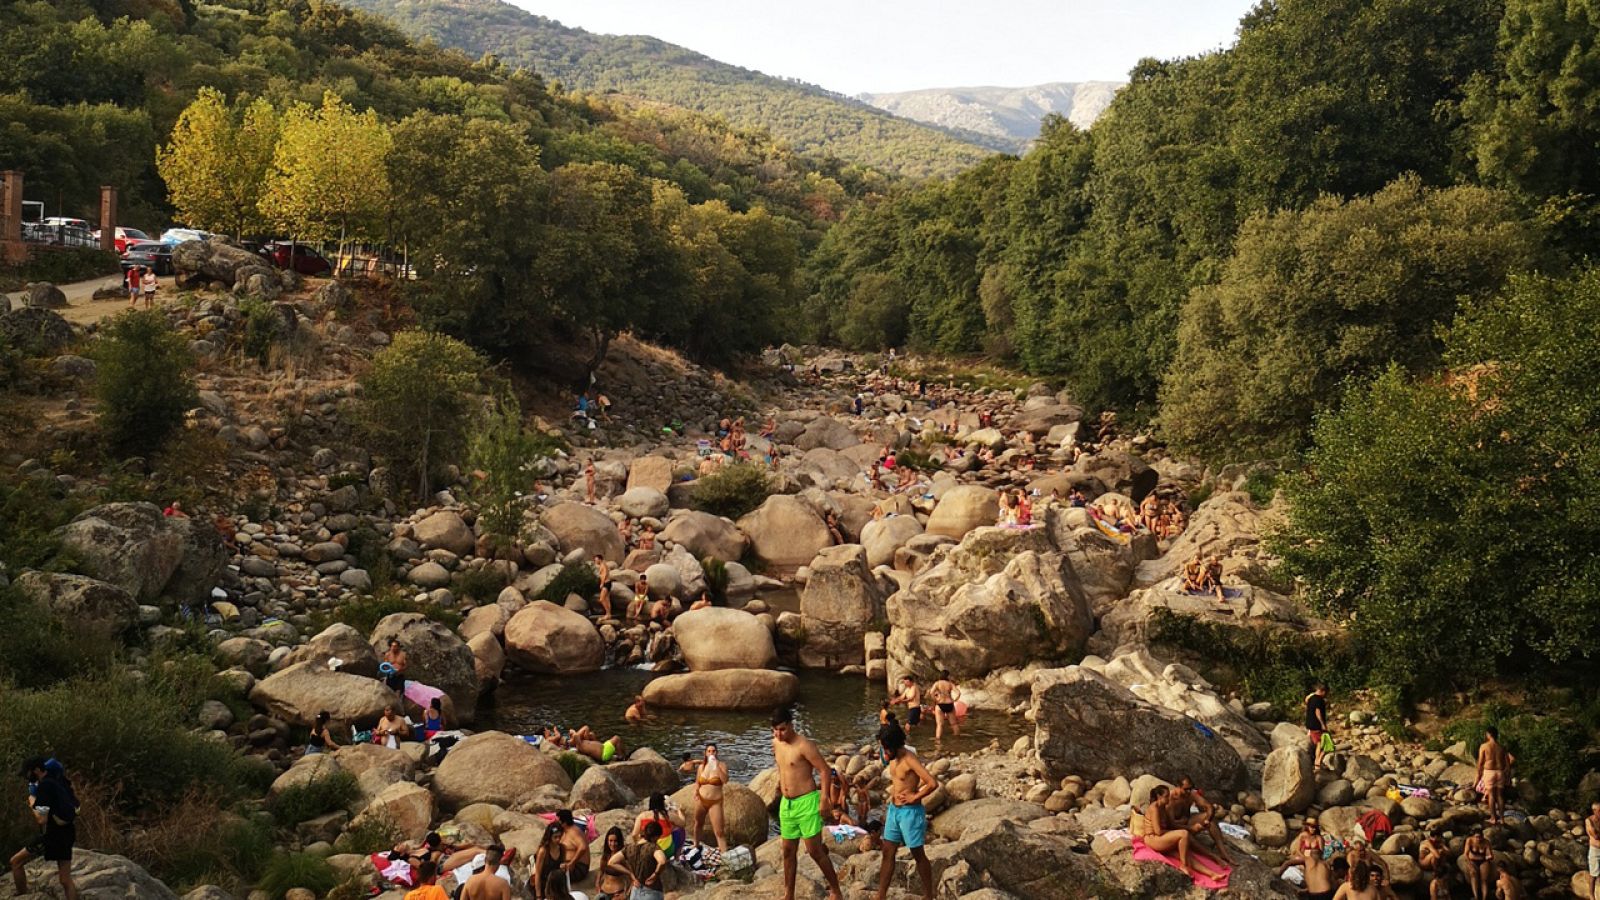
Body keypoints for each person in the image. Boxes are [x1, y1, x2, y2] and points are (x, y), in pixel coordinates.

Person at [770, 707, 845, 900]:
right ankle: (789, 894)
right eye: (775, 730)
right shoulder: (776, 743)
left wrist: (825, 798)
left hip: (807, 802)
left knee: (814, 851)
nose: (779, 734)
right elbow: (783, 767)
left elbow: (824, 770)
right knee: (787, 851)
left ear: (791, 725)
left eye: (782, 729)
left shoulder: (805, 745)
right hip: (787, 804)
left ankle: (836, 890)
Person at [872, 722, 936, 900]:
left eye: (886, 748)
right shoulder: (893, 757)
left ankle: (928, 895)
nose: (884, 753)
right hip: (894, 810)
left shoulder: (909, 759)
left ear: (894, 745)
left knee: (918, 854)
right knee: (888, 851)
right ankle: (881, 895)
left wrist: (915, 797)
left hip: (910, 813)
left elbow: (932, 783)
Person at [10, 758, 78, 900]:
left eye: (28, 773)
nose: (27, 777)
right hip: (67, 832)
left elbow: (42, 819)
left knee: (15, 861)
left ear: (36, 770)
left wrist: (32, 803)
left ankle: (21, 896)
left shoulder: (45, 786)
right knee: (65, 880)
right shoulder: (56, 782)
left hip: (53, 836)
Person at [1141, 785, 1221, 881]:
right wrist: (1175, 834)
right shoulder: (1154, 808)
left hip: (1161, 838)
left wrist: (1191, 828)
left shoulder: (1164, 807)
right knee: (1183, 834)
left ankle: (1212, 874)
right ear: (1159, 796)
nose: (1168, 798)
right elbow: (1158, 832)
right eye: (1166, 796)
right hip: (1153, 839)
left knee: (1186, 854)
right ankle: (1183, 866)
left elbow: (1172, 824)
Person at [1172, 777, 1235, 866]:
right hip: (1175, 828)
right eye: (1186, 789)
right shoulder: (1171, 799)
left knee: (1211, 820)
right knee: (1185, 834)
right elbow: (1170, 823)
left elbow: (1209, 807)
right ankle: (1212, 856)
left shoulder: (1191, 795)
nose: (1189, 791)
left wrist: (1207, 821)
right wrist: (1190, 827)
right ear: (1178, 786)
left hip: (1187, 821)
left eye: (1190, 788)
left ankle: (1223, 852)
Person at [609, 821, 667, 900]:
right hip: (652, 891)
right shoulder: (653, 847)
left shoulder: (629, 847)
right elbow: (662, 861)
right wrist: (655, 875)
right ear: (655, 837)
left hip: (635, 891)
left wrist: (630, 874)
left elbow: (612, 862)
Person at [691, 743, 728, 853]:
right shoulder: (702, 766)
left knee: (719, 831)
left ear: (717, 753)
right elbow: (698, 782)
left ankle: (724, 854)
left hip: (715, 802)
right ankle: (696, 844)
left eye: (713, 751)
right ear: (706, 753)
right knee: (698, 823)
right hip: (702, 800)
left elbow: (725, 780)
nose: (711, 753)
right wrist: (696, 791)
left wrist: (716, 767)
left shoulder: (721, 765)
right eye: (709, 751)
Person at [1475, 726, 1515, 825]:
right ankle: (1502, 819)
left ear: (1489, 734)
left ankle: (1493, 818)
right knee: (1500, 796)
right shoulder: (1501, 747)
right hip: (1500, 772)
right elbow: (1508, 763)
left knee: (1491, 795)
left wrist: (1478, 774)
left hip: (1489, 772)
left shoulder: (1484, 746)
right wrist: (1508, 776)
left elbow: (1480, 762)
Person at [593, 828, 628, 900]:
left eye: (615, 841)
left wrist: (625, 894)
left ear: (619, 841)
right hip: (603, 892)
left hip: (617, 894)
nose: (612, 844)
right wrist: (597, 883)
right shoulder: (606, 855)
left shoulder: (622, 857)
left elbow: (631, 876)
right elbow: (601, 870)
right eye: (610, 841)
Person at [928, 672, 961, 740]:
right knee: (954, 724)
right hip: (949, 704)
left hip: (940, 704)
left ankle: (938, 741)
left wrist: (936, 700)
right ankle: (957, 738)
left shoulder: (937, 683)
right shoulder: (950, 684)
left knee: (939, 725)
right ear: (947, 676)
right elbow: (958, 693)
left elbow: (931, 692)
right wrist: (955, 700)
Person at [1464, 827, 1495, 900]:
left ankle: (1484, 898)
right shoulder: (1469, 840)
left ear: (1483, 836)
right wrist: (1470, 865)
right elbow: (1466, 854)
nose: (1478, 839)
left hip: (1483, 860)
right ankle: (1476, 896)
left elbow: (1490, 854)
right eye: (1476, 837)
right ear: (1473, 836)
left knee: (1484, 880)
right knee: (1473, 875)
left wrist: (1489, 857)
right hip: (1472, 860)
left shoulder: (1486, 842)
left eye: (1480, 837)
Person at [1305, 684, 1330, 769]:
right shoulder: (1319, 700)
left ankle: (1317, 763)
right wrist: (1323, 725)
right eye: (1325, 693)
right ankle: (1318, 762)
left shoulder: (1311, 698)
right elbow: (1318, 712)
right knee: (1327, 744)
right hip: (1317, 725)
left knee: (1319, 744)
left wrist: (1311, 694)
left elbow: (1306, 700)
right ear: (1322, 691)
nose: (1326, 695)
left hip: (1310, 725)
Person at [1586, 802, 1600, 900]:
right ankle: (1592, 896)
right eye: (1599, 811)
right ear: (1594, 811)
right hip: (1595, 851)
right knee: (1593, 875)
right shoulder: (1589, 821)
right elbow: (1595, 835)